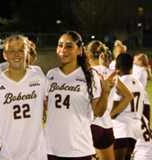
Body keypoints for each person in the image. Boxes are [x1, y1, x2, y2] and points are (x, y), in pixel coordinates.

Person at [45, 31, 115, 160]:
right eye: (60, 45)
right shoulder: (50, 75)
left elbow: (98, 112)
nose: (63, 50)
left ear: (79, 50)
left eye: (69, 46)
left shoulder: (90, 76)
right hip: (51, 148)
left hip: (79, 149)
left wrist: (105, 92)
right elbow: (46, 107)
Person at [0, 34, 47, 160]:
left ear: (27, 52)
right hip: (6, 154)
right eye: (11, 51)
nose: (16, 54)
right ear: (4, 55)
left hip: (36, 154)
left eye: (20, 50)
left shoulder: (38, 76)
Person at [86, 40, 133, 160]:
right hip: (106, 125)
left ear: (88, 54)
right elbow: (128, 96)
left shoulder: (86, 74)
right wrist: (112, 112)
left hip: (89, 125)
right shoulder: (110, 73)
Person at [111, 53, 145, 160]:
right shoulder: (139, 84)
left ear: (117, 67)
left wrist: (109, 115)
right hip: (135, 130)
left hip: (121, 129)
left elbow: (115, 109)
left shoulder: (120, 83)